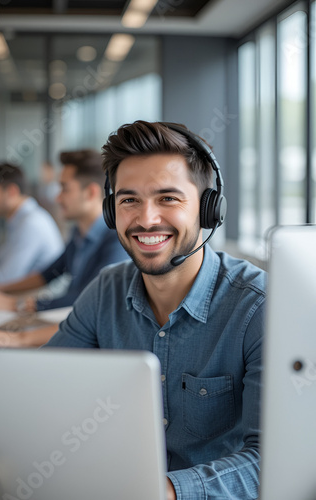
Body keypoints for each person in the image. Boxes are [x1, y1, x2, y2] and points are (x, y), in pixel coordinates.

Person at [44, 121, 266, 499]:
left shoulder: (258, 307)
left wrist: (163, 490)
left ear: (209, 209)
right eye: (129, 200)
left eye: (168, 198)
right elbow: (44, 392)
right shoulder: (105, 291)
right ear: (111, 211)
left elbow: (274, 459)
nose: (146, 220)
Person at [0, 149, 129, 347]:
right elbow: (47, 274)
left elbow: (89, 298)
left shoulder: (116, 239)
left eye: (64, 189)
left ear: (90, 192)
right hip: (65, 324)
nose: (57, 197)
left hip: (86, 338)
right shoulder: (78, 235)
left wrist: (16, 305)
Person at [0, 162, 64, 284]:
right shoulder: (20, 220)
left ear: (12, 191)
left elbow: (4, 279)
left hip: (39, 298)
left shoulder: (31, 223)